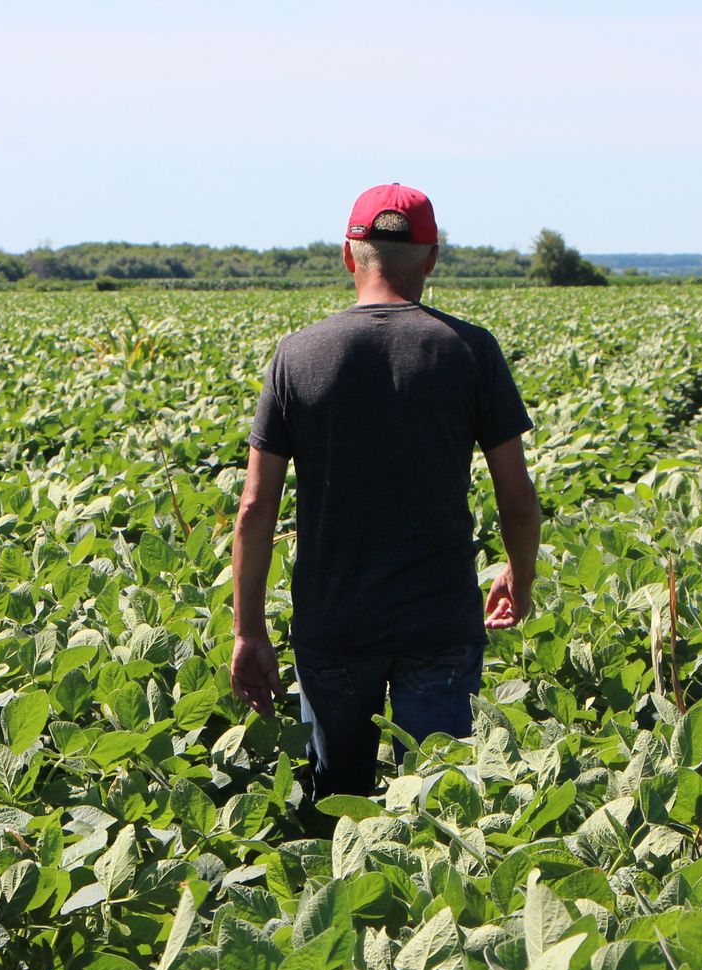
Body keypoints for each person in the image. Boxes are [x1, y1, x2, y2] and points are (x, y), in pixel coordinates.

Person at [229, 183, 542, 798]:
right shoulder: (471, 351)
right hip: (440, 624)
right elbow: (518, 499)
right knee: (442, 819)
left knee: (334, 818)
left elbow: (254, 508)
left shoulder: (296, 356)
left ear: (349, 254)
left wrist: (249, 632)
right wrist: (519, 577)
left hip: (334, 625)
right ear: (431, 259)